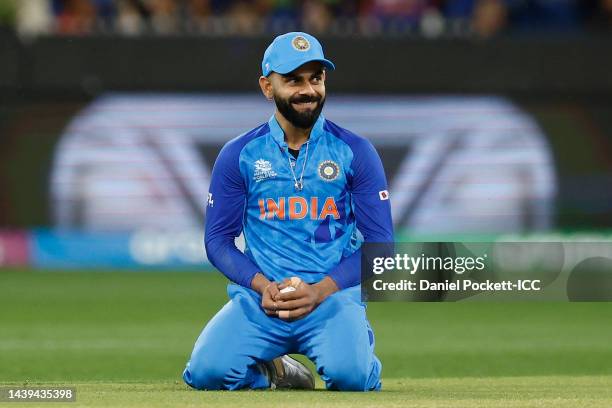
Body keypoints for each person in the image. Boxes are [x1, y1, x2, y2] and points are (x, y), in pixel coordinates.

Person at [182, 31, 393, 391]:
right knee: (206, 374)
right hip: (263, 301)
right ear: (267, 87)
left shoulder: (355, 151)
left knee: (352, 378)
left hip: (332, 299)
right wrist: (262, 286)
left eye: (316, 78)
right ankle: (277, 371)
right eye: (293, 80)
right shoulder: (240, 154)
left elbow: (381, 244)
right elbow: (218, 240)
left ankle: (359, 353)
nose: (307, 90)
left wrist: (321, 290)